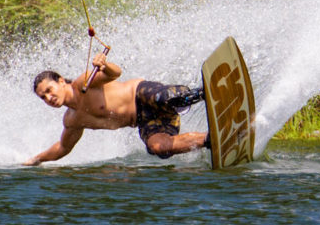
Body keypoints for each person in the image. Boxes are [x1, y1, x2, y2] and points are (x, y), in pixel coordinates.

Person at [23, 52, 209, 165]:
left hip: (142, 94)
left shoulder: (82, 84)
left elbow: (115, 73)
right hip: (145, 120)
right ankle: (211, 139)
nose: (48, 97)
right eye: (43, 97)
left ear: (61, 81)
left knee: (167, 98)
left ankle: (207, 92)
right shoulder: (72, 120)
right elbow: (63, 147)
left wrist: (104, 65)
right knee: (158, 148)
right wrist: (37, 159)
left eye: (49, 90)